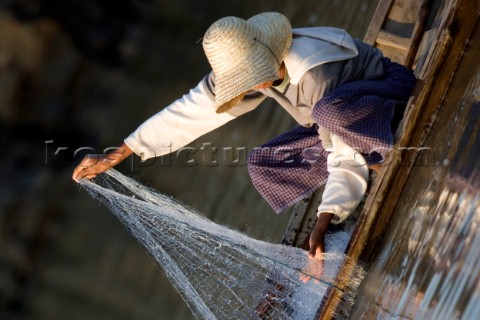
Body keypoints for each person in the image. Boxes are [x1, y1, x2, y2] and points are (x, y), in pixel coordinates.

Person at [72, 12, 416, 259]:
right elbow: (190, 111)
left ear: (263, 67)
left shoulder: (315, 74)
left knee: (330, 119)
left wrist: (324, 219)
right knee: (264, 163)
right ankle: (357, 167)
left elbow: (341, 152)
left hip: (386, 95)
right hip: (336, 121)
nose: (246, 89)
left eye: (249, 80)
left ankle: (368, 160)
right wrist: (117, 155)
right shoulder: (262, 64)